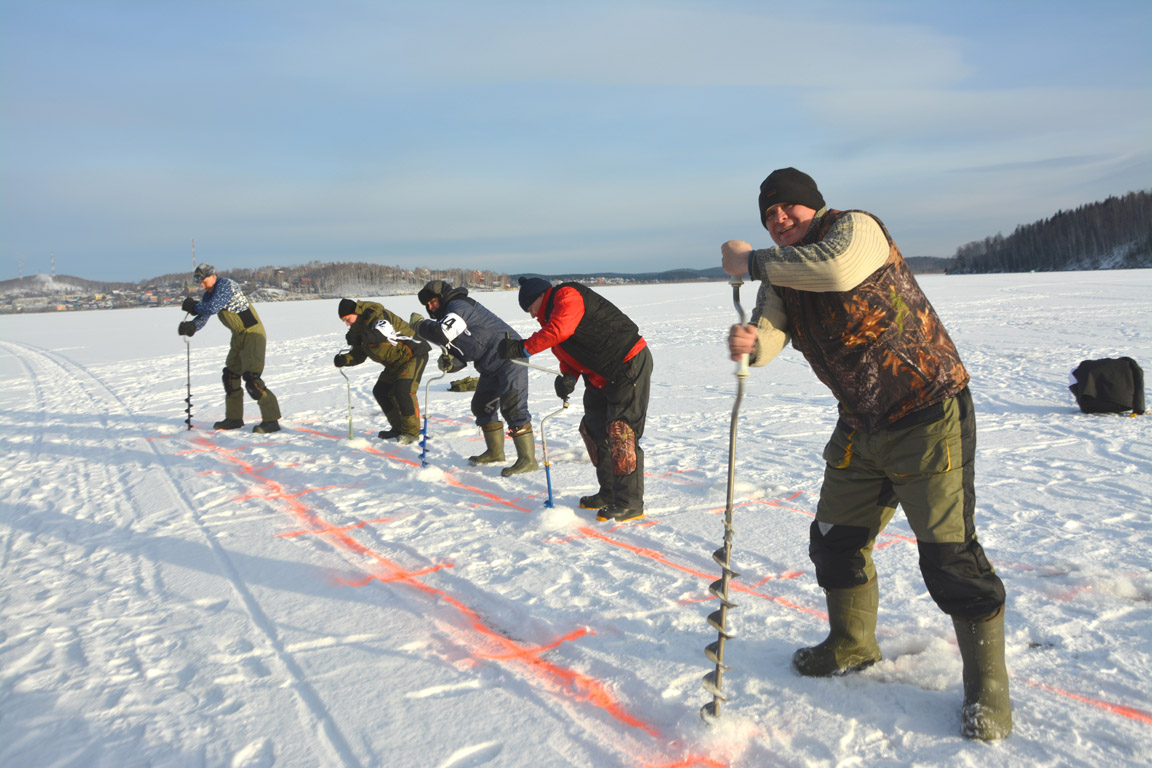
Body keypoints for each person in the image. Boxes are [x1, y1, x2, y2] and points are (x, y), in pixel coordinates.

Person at [721, 167, 1011, 740]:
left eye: (787, 209)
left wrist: (751, 259)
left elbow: (837, 269)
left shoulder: (855, 230)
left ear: (813, 206)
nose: (778, 220)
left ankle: (988, 689)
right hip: (861, 423)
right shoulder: (781, 276)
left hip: (928, 411)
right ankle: (851, 644)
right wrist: (755, 346)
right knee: (834, 541)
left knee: (949, 558)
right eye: (768, 215)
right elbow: (775, 327)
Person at [500, 276, 652, 522]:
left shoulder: (567, 295)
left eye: (530, 308)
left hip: (628, 363)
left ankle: (629, 503)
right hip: (600, 376)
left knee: (622, 432)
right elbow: (566, 351)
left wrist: (522, 348)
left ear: (540, 297)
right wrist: (568, 377)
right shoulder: (550, 319)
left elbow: (561, 330)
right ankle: (609, 492)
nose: (531, 315)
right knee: (593, 429)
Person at [414, 280, 539, 476]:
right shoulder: (450, 316)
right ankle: (495, 452)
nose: (430, 307)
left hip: (510, 358)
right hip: (490, 365)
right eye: (427, 305)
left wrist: (420, 326)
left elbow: (441, 333)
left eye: (433, 302)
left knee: (513, 407)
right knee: (482, 406)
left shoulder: (459, 306)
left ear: (443, 297)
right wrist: (450, 362)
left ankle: (528, 460)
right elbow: (462, 356)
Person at [178, 264, 282, 433]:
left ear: (213, 276)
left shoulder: (227, 286)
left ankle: (271, 420)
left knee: (251, 379)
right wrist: (192, 326)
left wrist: (193, 306)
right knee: (230, 376)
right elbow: (204, 316)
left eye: (204, 281)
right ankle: (234, 418)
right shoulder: (208, 295)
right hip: (238, 336)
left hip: (252, 334)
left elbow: (213, 307)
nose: (202, 286)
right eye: (200, 283)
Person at [334, 298, 429, 445]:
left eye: (348, 319)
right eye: (344, 321)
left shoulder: (377, 315)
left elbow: (381, 334)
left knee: (403, 389)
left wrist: (361, 338)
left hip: (413, 354)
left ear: (356, 312)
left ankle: (411, 432)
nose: (347, 323)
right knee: (381, 391)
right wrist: (344, 359)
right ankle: (398, 428)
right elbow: (359, 355)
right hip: (395, 362)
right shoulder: (357, 329)